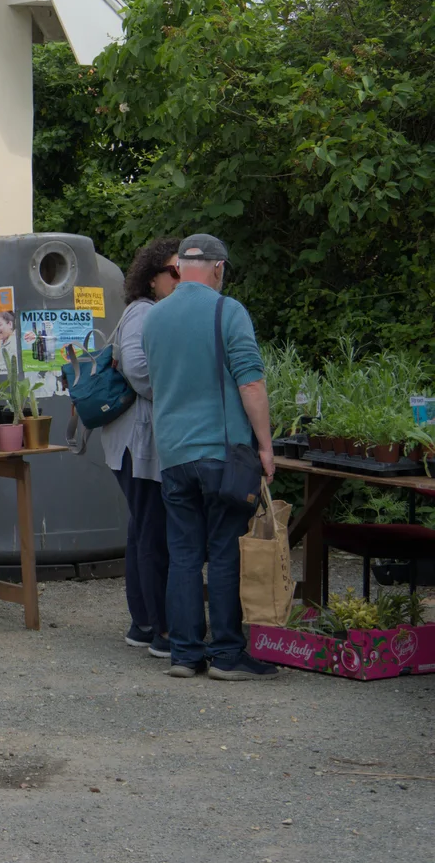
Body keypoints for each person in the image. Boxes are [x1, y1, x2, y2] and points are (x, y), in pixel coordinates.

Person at [142, 235, 277, 681]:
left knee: (182, 555)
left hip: (173, 455)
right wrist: (266, 446)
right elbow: (251, 384)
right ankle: (225, 656)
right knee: (222, 553)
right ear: (218, 268)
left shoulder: (154, 317)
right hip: (223, 456)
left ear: (180, 268)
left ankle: (183, 654)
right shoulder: (228, 310)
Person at [101, 238, 180, 660]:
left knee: (142, 529)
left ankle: (143, 624)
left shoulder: (155, 313)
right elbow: (135, 368)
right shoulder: (144, 313)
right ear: (152, 279)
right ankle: (162, 631)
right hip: (138, 440)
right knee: (153, 532)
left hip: (137, 439)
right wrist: (176, 392)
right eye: (174, 272)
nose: (181, 280)